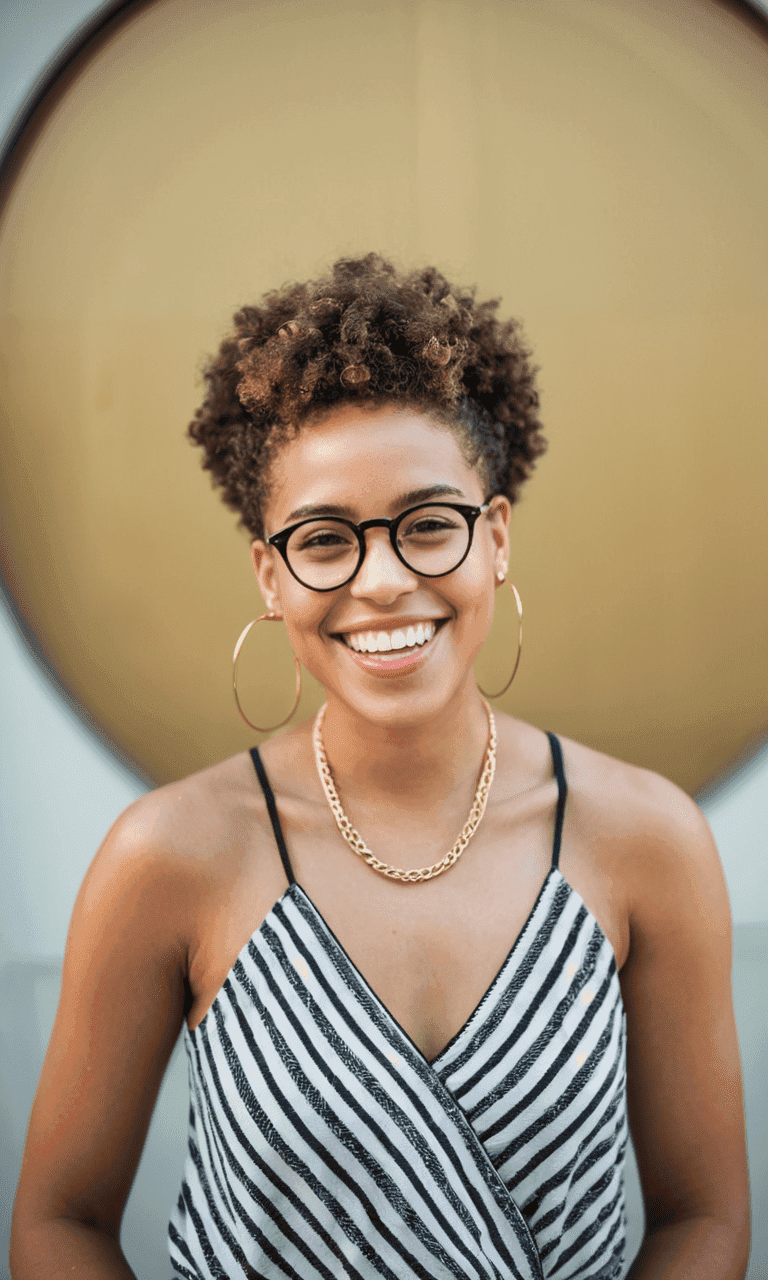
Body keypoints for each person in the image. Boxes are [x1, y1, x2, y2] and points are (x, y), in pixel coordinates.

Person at [10, 254, 749, 1280]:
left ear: (495, 538)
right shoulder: (170, 856)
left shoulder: (644, 841)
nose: (386, 578)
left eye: (430, 525)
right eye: (324, 540)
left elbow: (703, 1216)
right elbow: (59, 1219)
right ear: (270, 573)